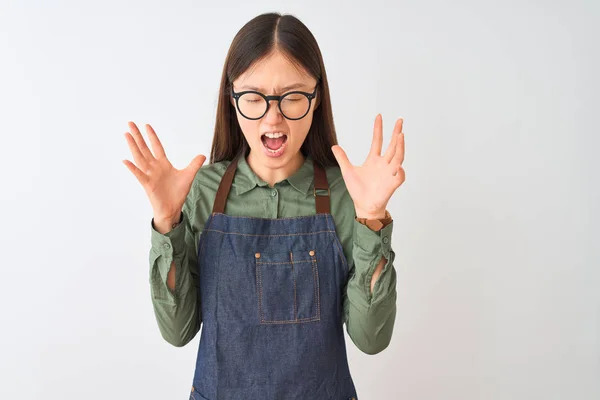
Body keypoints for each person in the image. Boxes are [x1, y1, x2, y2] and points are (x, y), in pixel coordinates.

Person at [123, 12, 406, 400]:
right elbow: (177, 331)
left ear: (316, 96)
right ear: (233, 99)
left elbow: (371, 338)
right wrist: (168, 221)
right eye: (254, 98)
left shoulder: (347, 196)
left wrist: (371, 219)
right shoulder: (202, 191)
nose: (273, 117)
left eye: (292, 97)